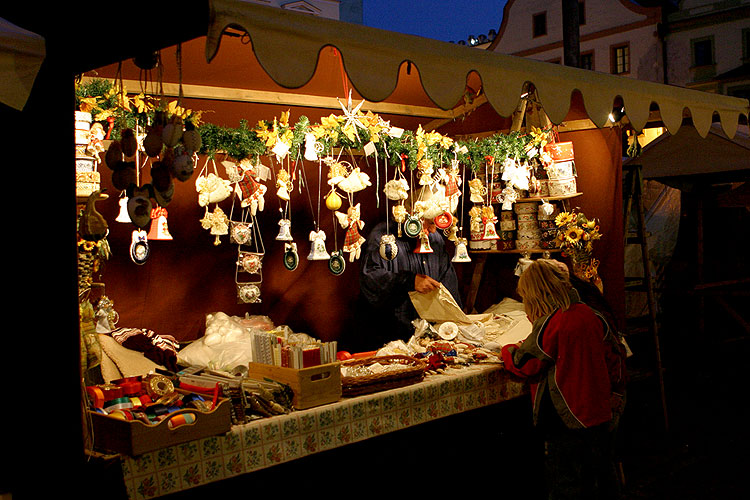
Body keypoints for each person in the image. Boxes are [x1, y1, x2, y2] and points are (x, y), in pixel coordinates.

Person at [501, 259, 623, 500]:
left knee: (567, 484)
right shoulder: (592, 314)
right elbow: (615, 357)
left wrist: (507, 350)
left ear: (534, 296)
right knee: (601, 478)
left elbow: (526, 363)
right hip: (599, 412)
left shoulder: (554, 322)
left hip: (566, 417)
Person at [354, 212, 462, 350]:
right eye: (430, 223)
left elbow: (449, 285)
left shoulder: (435, 239)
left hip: (428, 338)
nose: (434, 229)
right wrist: (409, 281)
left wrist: (454, 324)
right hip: (389, 336)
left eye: (435, 223)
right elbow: (371, 279)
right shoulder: (384, 236)